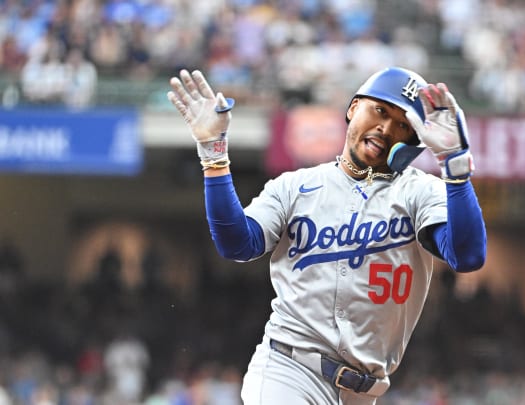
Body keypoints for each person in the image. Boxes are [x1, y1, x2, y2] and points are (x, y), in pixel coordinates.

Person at [167, 66, 488, 405]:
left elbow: (467, 256)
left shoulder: (423, 192)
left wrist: (455, 166)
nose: (386, 127)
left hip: (365, 392)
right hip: (289, 371)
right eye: (380, 110)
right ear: (353, 108)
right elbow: (237, 243)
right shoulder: (294, 187)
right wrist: (213, 153)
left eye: (403, 125)